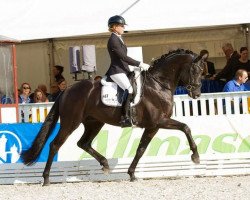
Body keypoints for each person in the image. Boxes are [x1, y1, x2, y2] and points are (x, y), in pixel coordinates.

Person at [105, 15, 150, 127]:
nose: (123, 27)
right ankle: (124, 117)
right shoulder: (113, 40)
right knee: (129, 89)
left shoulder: (119, 38)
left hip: (123, 70)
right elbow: (123, 57)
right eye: (121, 25)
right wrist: (140, 63)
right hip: (116, 71)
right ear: (114, 27)